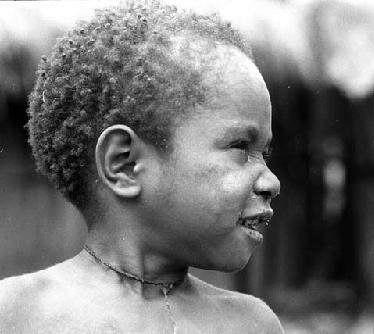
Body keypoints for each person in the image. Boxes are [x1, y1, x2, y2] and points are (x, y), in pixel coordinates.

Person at [0, 1, 282, 333]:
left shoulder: (251, 324)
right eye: (240, 148)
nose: (272, 182)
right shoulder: (18, 315)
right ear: (125, 164)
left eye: (265, 152)